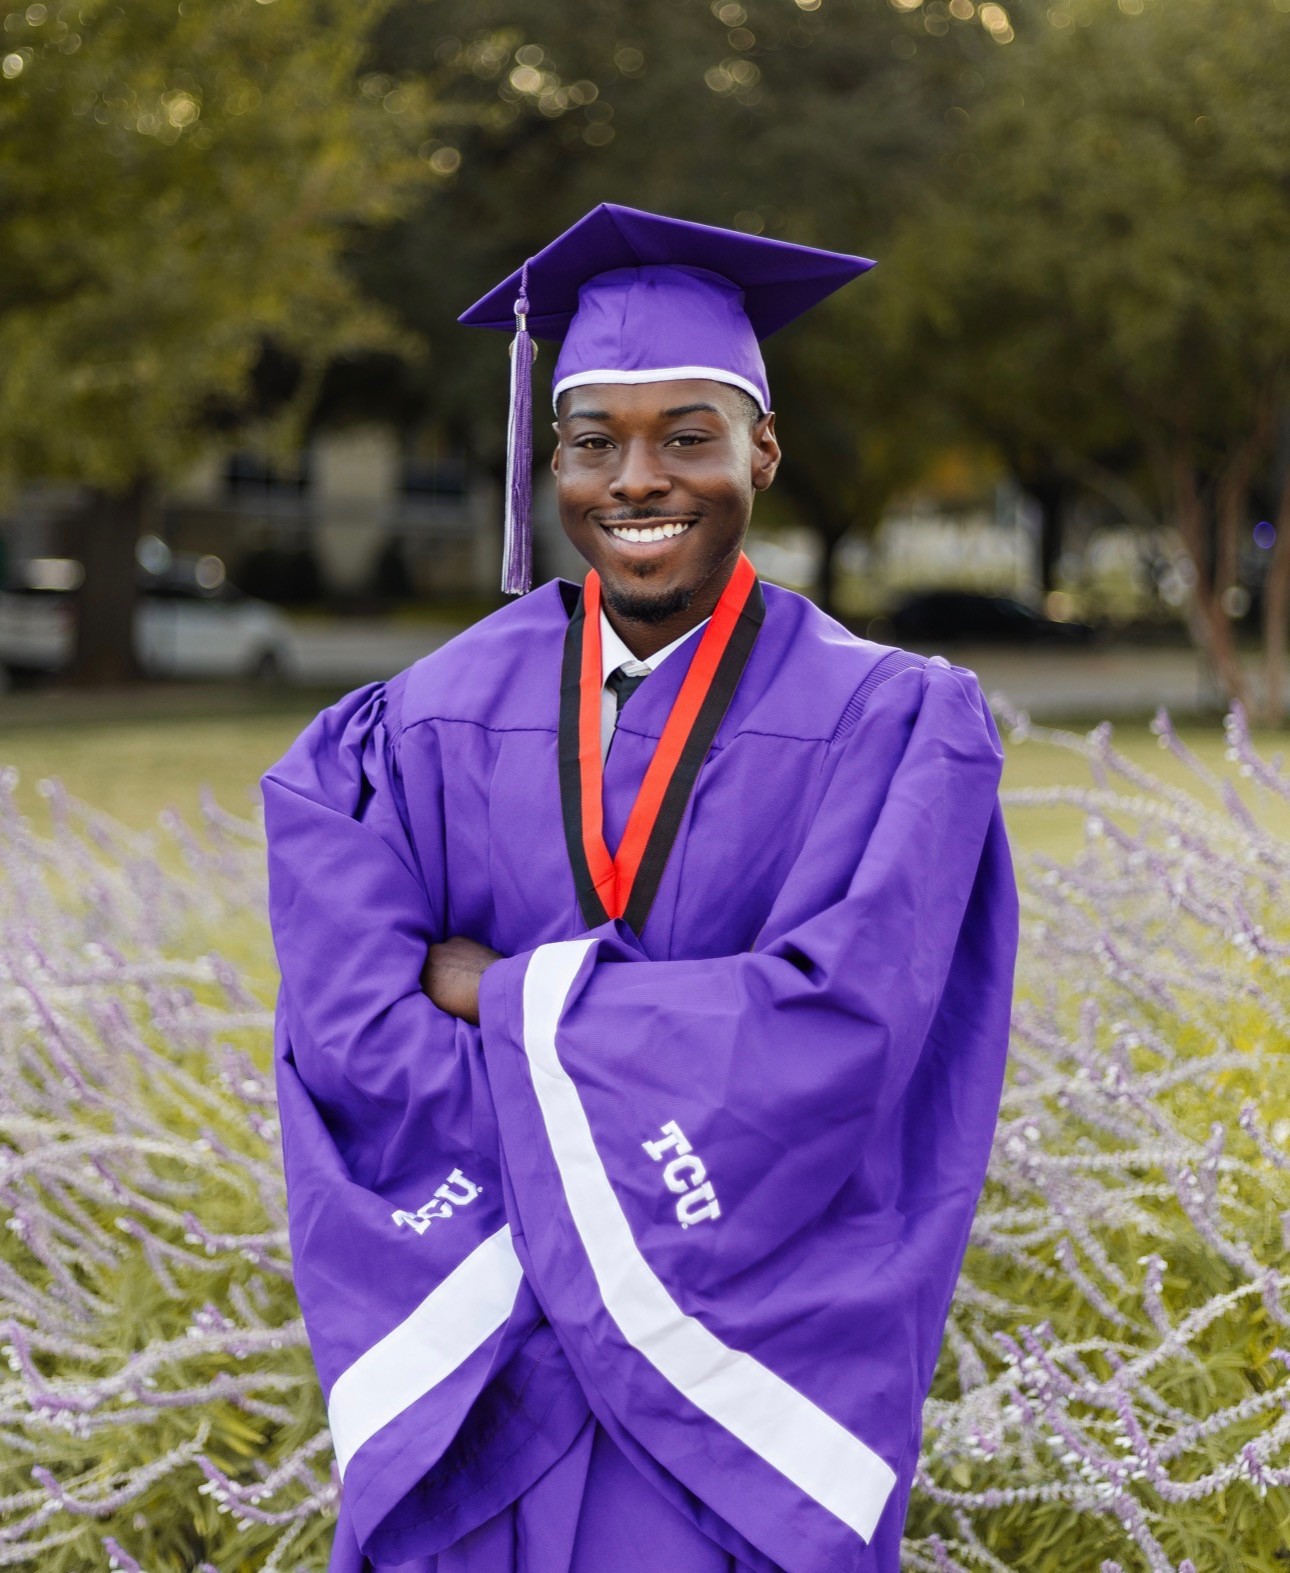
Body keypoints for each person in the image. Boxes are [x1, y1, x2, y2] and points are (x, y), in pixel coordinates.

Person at [262, 204, 1018, 1573]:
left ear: (761, 451)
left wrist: (496, 993)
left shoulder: (895, 727)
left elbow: (836, 1031)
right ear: (548, 458)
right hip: (488, 1394)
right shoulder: (408, 727)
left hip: (727, 1388)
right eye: (593, 437)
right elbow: (347, 1025)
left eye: (687, 433)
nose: (636, 478)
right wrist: (641, 1045)